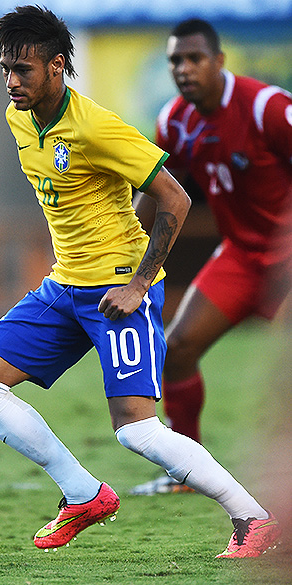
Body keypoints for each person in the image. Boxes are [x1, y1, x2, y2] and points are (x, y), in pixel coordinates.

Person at [0, 6, 282, 558]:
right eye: (6, 69)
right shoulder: (20, 117)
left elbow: (175, 197)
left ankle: (254, 518)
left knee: (136, 431)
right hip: (64, 286)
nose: (12, 81)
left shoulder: (96, 126)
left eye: (23, 71)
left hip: (117, 292)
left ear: (57, 66)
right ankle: (83, 494)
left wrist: (140, 283)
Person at [130, 18, 292, 497]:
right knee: (174, 350)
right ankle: (188, 472)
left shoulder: (268, 107)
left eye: (194, 58)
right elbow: (157, 194)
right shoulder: (174, 120)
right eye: (175, 60)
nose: (184, 68)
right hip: (241, 257)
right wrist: (126, 251)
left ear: (219, 61)